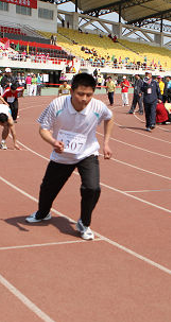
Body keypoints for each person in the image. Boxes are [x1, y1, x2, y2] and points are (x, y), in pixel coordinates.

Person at [26, 73, 113, 241]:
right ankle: (43, 214)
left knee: (92, 188)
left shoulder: (97, 106)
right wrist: (53, 142)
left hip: (87, 152)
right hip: (62, 155)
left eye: (89, 94)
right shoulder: (57, 104)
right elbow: (43, 129)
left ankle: (84, 223)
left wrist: (106, 143)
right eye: (81, 94)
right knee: (47, 189)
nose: (85, 99)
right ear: (71, 91)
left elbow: (110, 118)